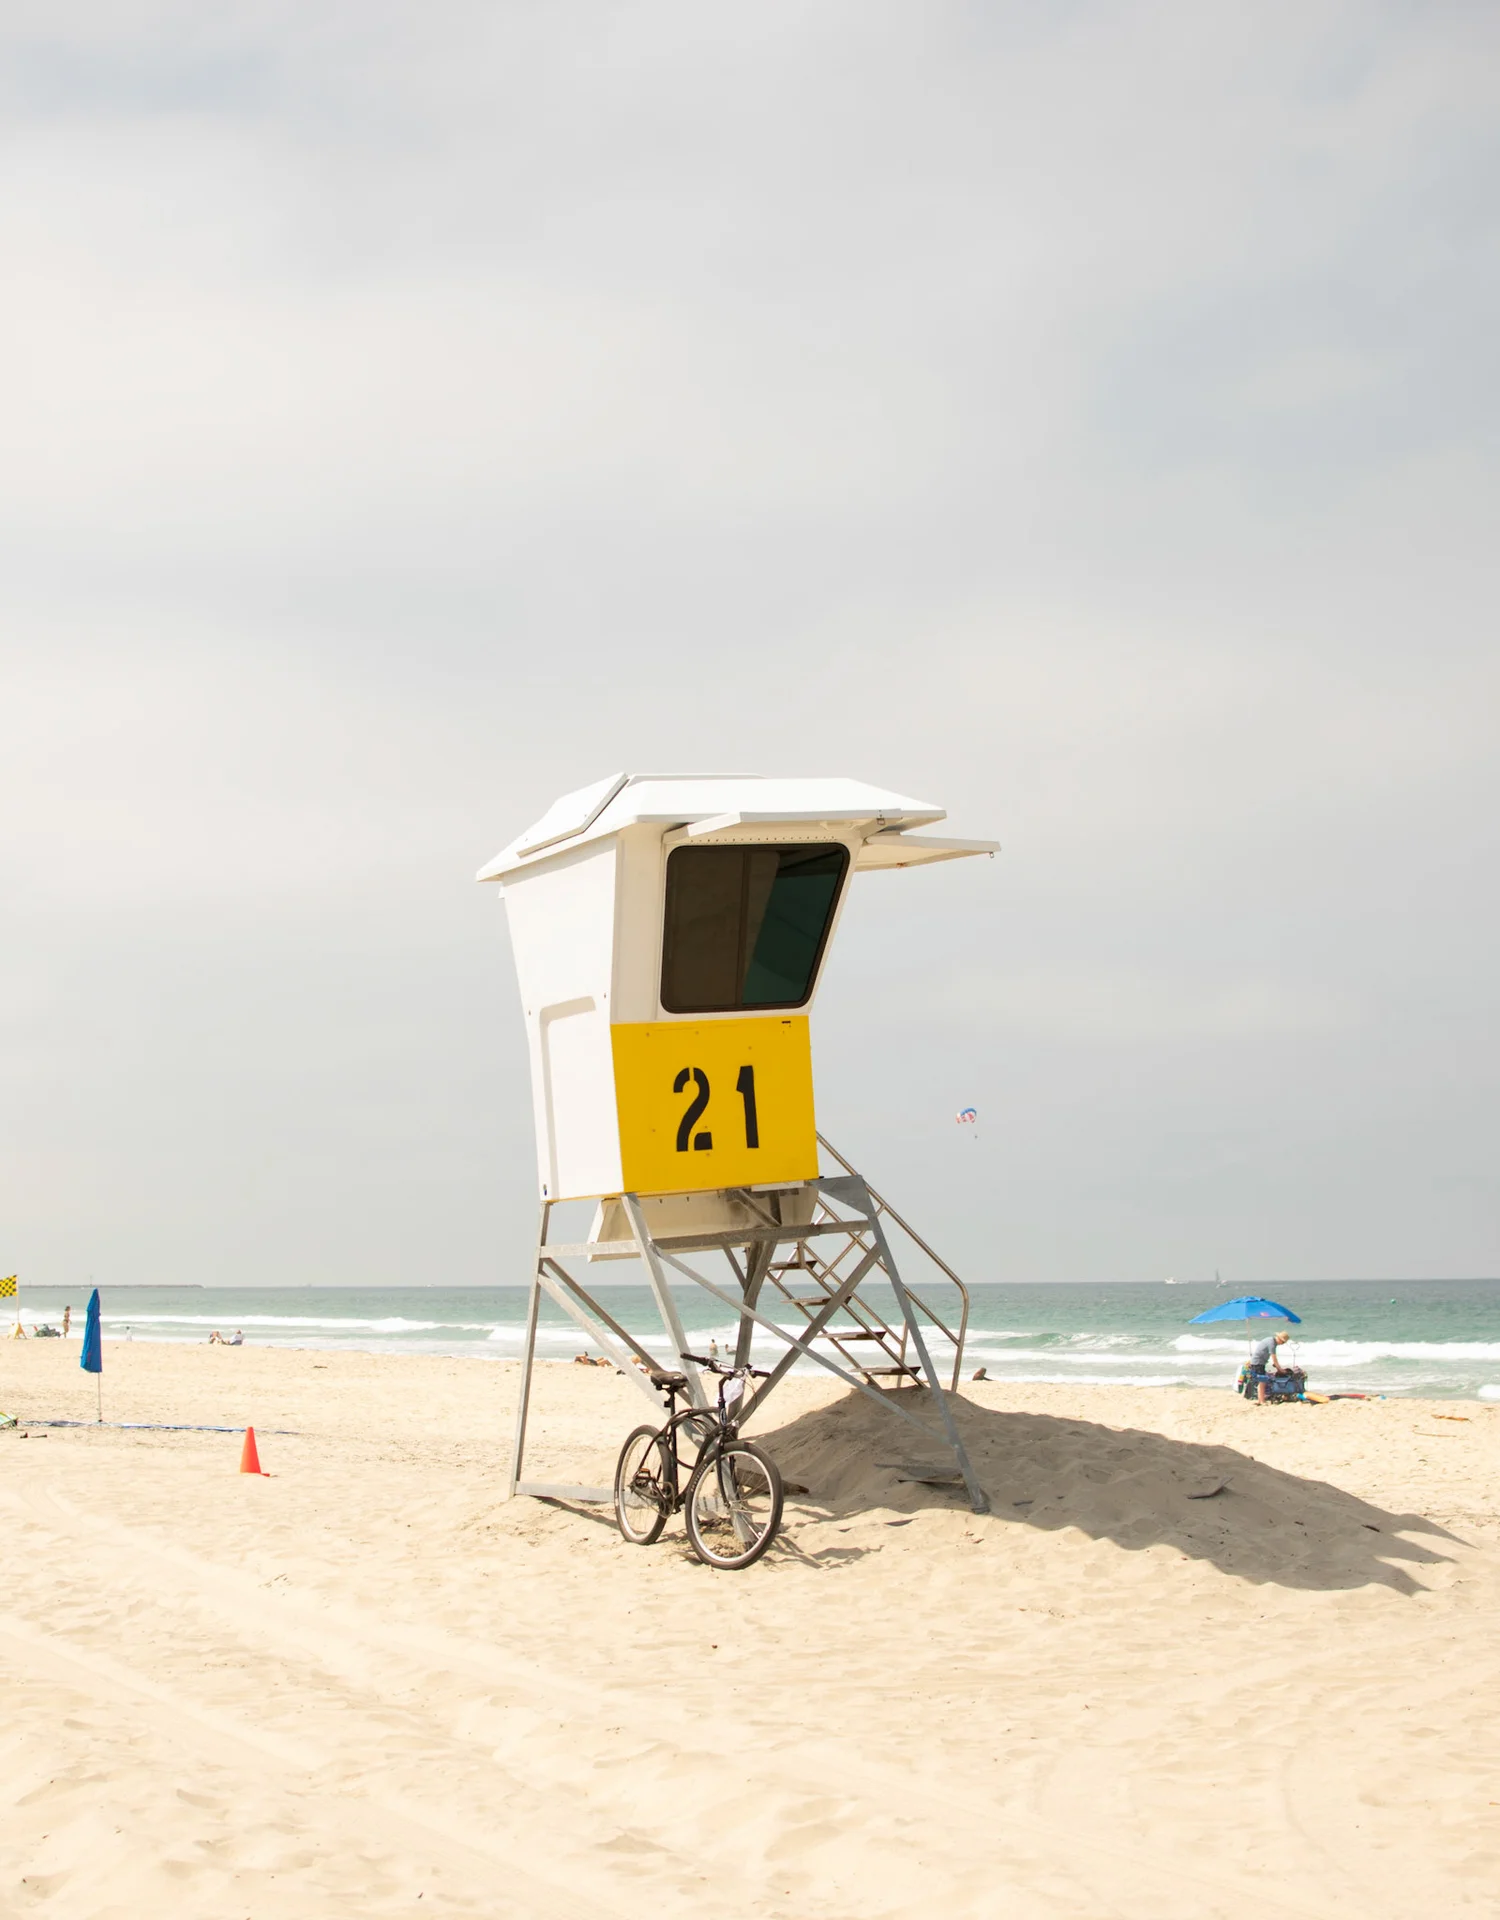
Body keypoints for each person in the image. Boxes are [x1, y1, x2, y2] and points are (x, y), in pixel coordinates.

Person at [1248, 1329, 1299, 1402]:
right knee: (1262, 1381)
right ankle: (1261, 1401)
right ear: (1279, 1339)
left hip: (1258, 1362)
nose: (1282, 1344)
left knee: (1262, 1381)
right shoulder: (1272, 1343)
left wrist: (1277, 1367)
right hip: (1258, 1362)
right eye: (1282, 1342)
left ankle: (1261, 1400)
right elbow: (1274, 1358)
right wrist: (1280, 1369)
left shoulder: (1270, 1341)